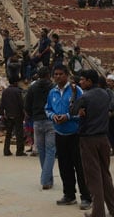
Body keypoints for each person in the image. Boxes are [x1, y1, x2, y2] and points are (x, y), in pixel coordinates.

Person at [71, 69, 114, 217]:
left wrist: (74, 95)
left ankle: (98, 212)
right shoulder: (106, 94)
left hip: (88, 139)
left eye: (82, 80)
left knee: (93, 177)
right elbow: (111, 108)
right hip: (103, 138)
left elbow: (73, 110)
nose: (80, 82)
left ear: (89, 81)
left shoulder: (85, 97)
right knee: (105, 174)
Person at [45, 64, 92, 210]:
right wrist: (53, 116)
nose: (58, 76)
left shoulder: (75, 90)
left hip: (75, 134)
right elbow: (47, 108)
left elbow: (82, 111)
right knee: (64, 166)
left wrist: (67, 116)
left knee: (80, 167)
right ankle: (69, 195)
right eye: (55, 74)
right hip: (60, 134)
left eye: (60, 74)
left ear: (66, 75)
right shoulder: (52, 92)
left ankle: (86, 197)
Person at [24, 66, 55, 189]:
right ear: (48, 75)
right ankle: (45, 180)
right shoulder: (53, 87)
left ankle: (48, 178)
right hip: (50, 120)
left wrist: (33, 116)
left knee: (42, 151)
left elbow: (27, 105)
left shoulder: (32, 88)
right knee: (51, 150)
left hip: (37, 121)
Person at [0, 77, 25, 157]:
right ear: (15, 83)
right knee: (19, 133)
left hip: (8, 115)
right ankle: (19, 151)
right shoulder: (18, 91)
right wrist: (24, 113)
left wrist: (2, 114)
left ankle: (6, 150)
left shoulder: (5, 91)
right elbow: (21, 104)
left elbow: (2, 104)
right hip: (18, 115)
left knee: (8, 134)